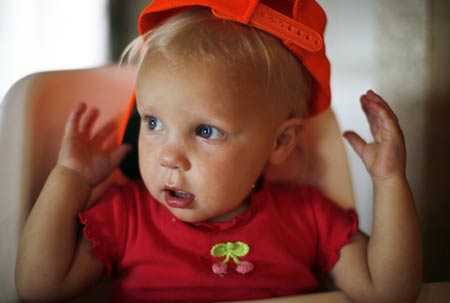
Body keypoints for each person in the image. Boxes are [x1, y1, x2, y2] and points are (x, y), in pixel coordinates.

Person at [15, 1, 422, 302]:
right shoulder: (127, 217)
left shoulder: (307, 219)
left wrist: (389, 181)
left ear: (280, 142)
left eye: (206, 130)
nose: (168, 157)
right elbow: (39, 288)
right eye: (153, 123)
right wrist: (69, 177)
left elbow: (391, 294)